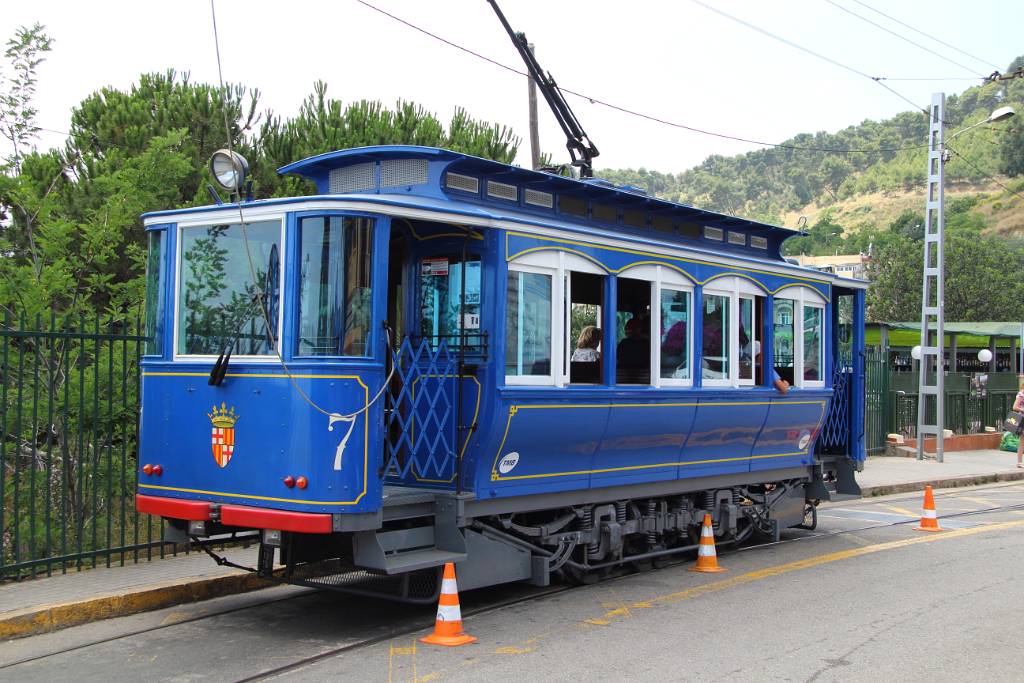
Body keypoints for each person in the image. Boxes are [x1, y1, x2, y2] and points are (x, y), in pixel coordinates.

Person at [1014, 377, 1024, 468]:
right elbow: (1015, 407)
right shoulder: (1021, 394)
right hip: (1023, 420)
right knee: (1022, 441)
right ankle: (1019, 462)